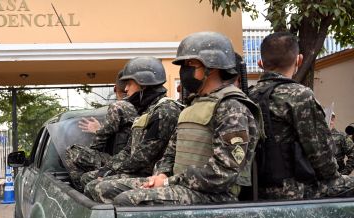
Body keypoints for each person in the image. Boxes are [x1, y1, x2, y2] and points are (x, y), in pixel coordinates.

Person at [86, 32, 261, 206]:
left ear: (212, 67)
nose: (184, 70)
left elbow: (223, 172)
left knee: (127, 200)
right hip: (180, 185)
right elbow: (170, 154)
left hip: (213, 194)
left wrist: (169, 182)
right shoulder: (193, 105)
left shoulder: (232, 107)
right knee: (99, 188)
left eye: (190, 64)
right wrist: (161, 175)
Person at [248, 32, 354, 200]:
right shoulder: (299, 95)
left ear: (261, 63)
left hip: (254, 189)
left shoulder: (247, 95)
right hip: (294, 191)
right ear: (299, 60)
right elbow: (323, 161)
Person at [81, 56, 182, 191]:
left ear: (143, 83)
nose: (126, 89)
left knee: (95, 187)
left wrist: (111, 171)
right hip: (137, 170)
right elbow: (129, 150)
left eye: (129, 83)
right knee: (87, 178)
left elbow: (143, 157)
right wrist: (107, 168)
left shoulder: (165, 110)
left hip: (152, 176)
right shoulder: (148, 110)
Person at [64, 71, 138, 190]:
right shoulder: (143, 106)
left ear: (115, 88)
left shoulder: (119, 106)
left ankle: (81, 190)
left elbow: (99, 142)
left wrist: (98, 131)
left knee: (72, 151)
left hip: (121, 162)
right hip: (138, 162)